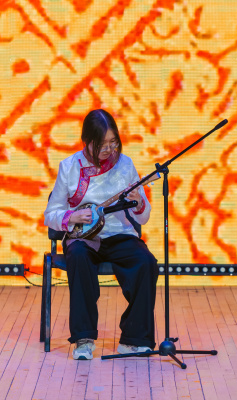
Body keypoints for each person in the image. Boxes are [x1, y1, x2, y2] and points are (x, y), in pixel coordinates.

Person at [44, 109, 159, 360]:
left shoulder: (125, 165)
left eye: (113, 142)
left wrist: (139, 202)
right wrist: (71, 217)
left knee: (146, 262)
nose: (109, 150)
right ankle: (83, 339)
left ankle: (134, 339)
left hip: (119, 233)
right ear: (87, 141)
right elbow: (50, 214)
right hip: (83, 237)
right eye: (102, 144)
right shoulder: (69, 167)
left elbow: (143, 217)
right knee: (79, 258)